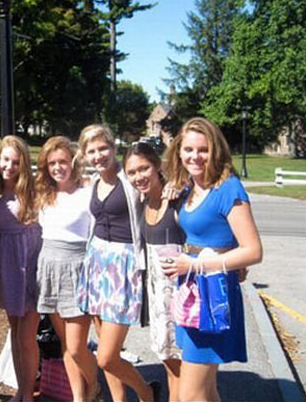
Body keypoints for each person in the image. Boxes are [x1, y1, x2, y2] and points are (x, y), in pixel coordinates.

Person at [162, 117, 262, 402]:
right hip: (191, 293)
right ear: (179, 151)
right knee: (204, 391)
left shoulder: (228, 188)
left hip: (212, 296)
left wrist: (195, 264)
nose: (195, 156)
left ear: (215, 150)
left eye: (203, 150)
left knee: (190, 395)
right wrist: (171, 189)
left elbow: (253, 250)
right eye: (188, 149)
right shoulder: (189, 188)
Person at [76, 124, 159, 402]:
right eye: (91, 151)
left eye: (103, 148)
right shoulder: (93, 182)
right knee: (104, 347)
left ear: (113, 148)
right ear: (84, 154)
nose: (98, 155)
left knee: (107, 356)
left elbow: (158, 184)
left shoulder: (130, 179)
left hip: (123, 268)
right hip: (97, 264)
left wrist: (170, 187)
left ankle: (147, 392)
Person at [35, 136, 98, 402]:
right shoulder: (43, 193)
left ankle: (95, 386)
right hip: (49, 267)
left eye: (62, 161)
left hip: (77, 268)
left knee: (76, 346)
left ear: (73, 162)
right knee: (65, 344)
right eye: (52, 163)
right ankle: (79, 397)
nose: (58, 167)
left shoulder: (88, 191)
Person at [124, 142, 184, 401]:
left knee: (183, 366)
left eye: (144, 168)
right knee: (169, 362)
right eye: (132, 172)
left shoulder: (177, 199)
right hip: (158, 295)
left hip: (180, 295)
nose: (138, 176)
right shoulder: (142, 200)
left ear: (157, 165)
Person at [0, 135, 42, 402]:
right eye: (5, 160)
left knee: (26, 336)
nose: (9, 166)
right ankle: (21, 389)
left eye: (15, 161)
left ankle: (28, 393)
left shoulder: (35, 190)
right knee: (14, 331)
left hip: (31, 263)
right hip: (7, 265)